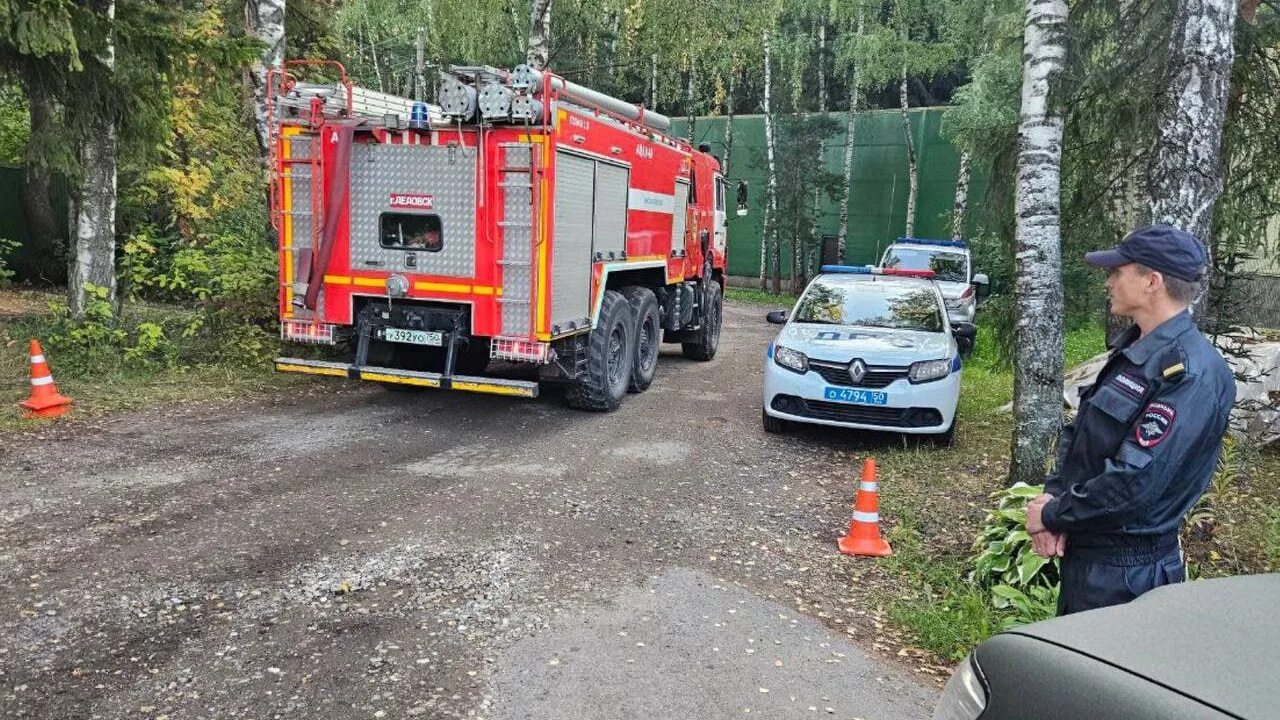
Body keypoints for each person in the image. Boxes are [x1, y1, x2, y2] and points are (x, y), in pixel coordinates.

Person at [1025, 224, 1236, 616]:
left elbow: (1136, 482)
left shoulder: (1190, 373)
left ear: (1152, 281)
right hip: (1091, 560)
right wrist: (1053, 499)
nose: (1108, 281)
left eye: (1117, 271)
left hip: (1127, 576)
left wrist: (1052, 515)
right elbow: (1083, 433)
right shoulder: (1136, 350)